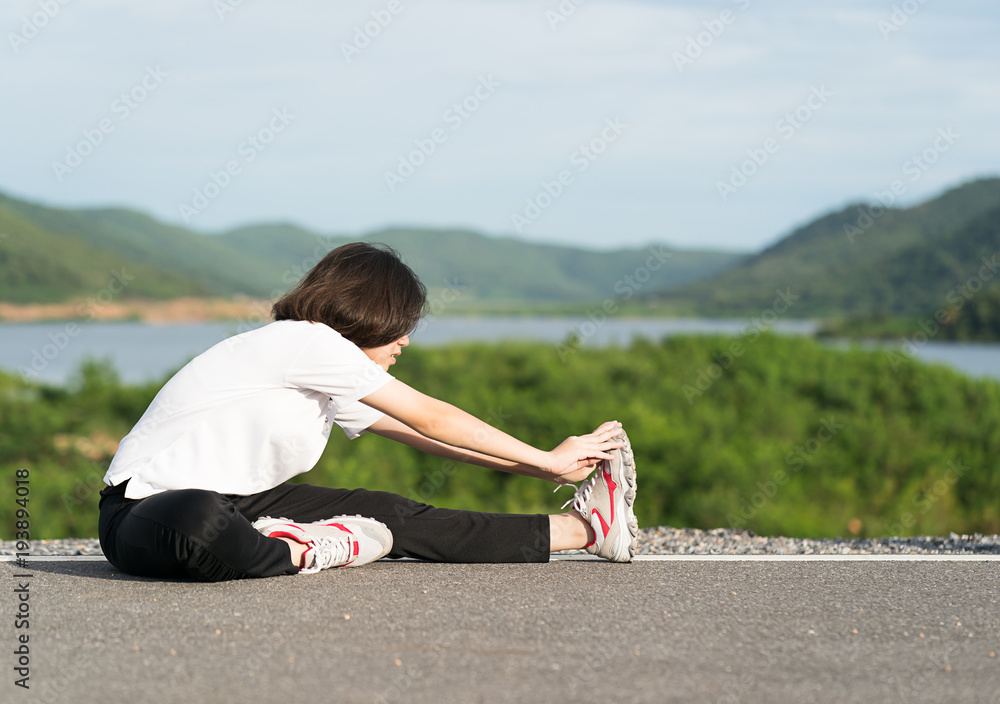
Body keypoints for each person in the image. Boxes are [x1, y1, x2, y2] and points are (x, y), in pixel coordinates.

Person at [98, 242, 638, 581]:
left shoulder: (327, 373)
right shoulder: (305, 342)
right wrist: (546, 458)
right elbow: (432, 416)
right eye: (401, 322)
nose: (405, 338)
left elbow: (427, 438)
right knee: (200, 518)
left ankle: (585, 530)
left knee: (390, 512)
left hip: (244, 504)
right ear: (369, 310)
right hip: (143, 511)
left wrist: (547, 468)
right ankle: (305, 551)